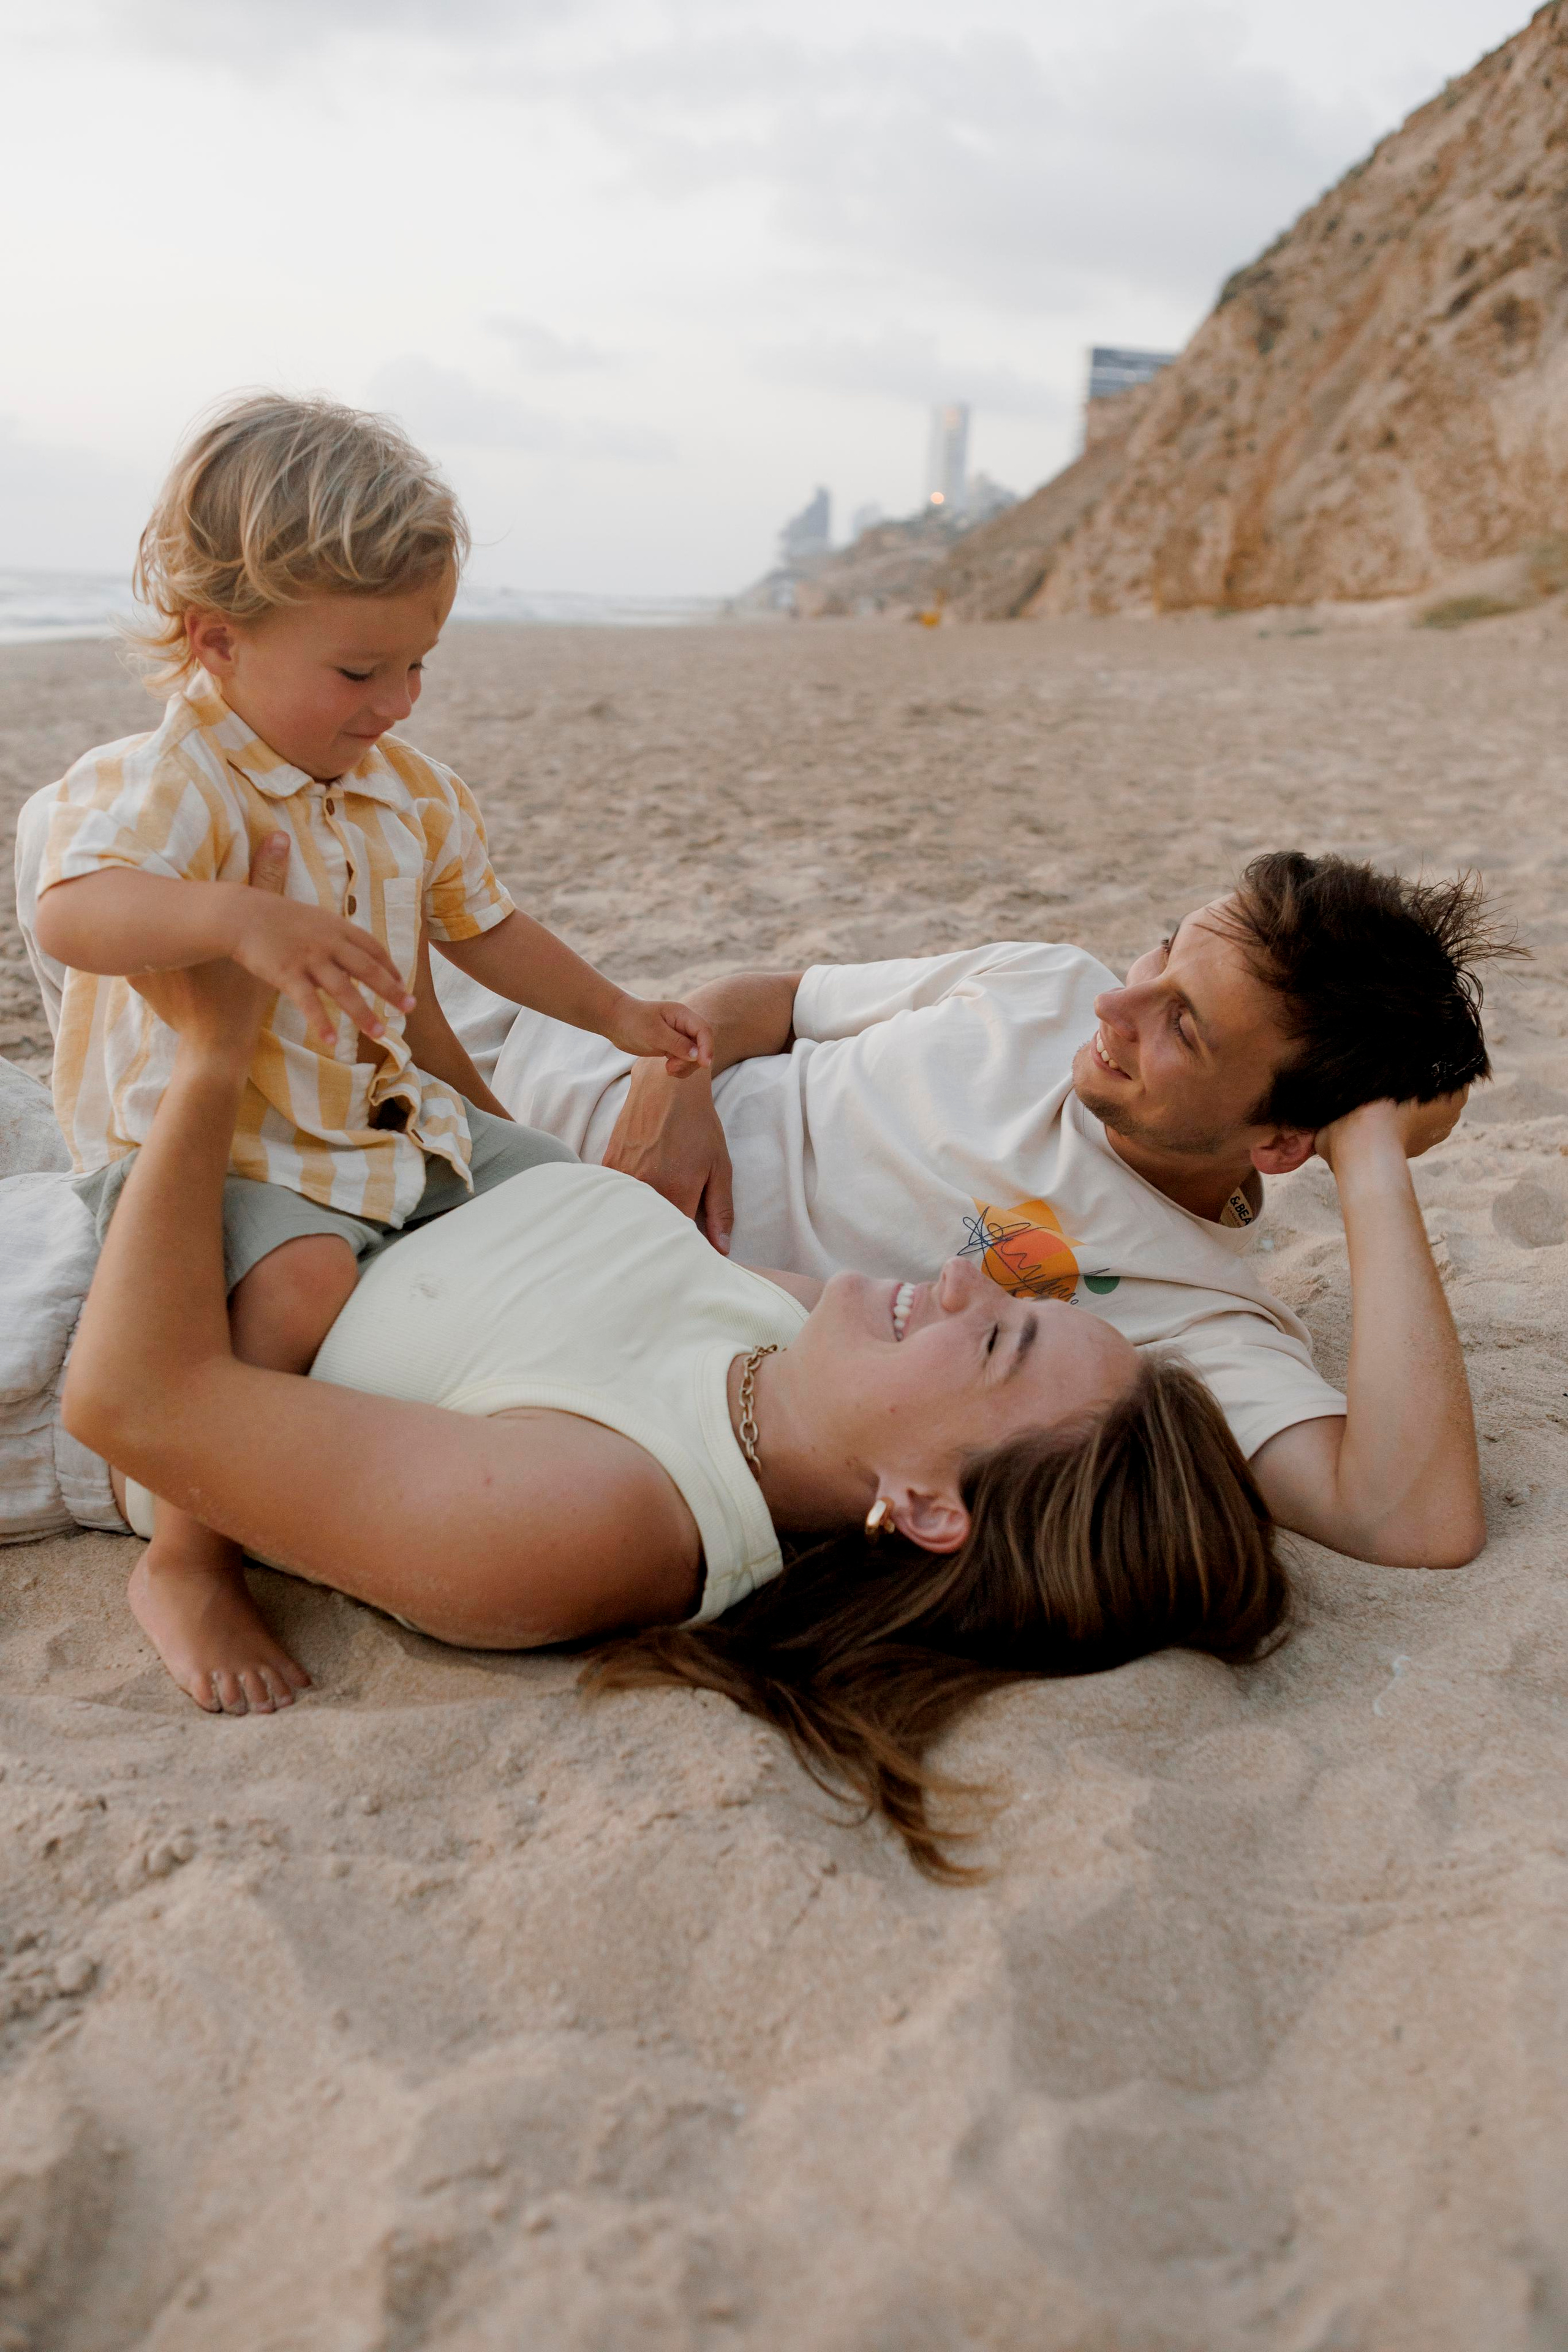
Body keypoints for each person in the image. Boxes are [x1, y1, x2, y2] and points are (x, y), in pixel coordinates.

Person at [0, 938, 1289, 1874]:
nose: (957, 1281)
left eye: (998, 1336)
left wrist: (216, 1051)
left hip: (60, 1318)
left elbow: (137, 1400)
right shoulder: (786, 1335)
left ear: (927, 1507)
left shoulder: (601, 1516)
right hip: (238, 1183)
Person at [20, 390, 710, 1697]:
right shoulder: (166, 782)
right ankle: (187, 1559)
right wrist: (234, 918)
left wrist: (616, 1015)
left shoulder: (408, 790)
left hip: (387, 1118)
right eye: (360, 670)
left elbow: (487, 930)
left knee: (571, 1194)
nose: (396, 701)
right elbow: (72, 914)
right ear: (214, 640)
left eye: (418, 665)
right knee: (297, 1294)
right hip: (221, 1156)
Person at [431, 852, 1504, 1571]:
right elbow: (777, 1002)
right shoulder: (1041, 980)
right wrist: (679, 1081)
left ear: (1279, 1142)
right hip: (518, 1045)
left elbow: (1407, 1517)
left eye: (1181, 1025)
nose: (1115, 1006)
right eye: (1163, 952)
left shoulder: (1192, 1318)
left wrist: (1371, 1163)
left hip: (477, 1232)